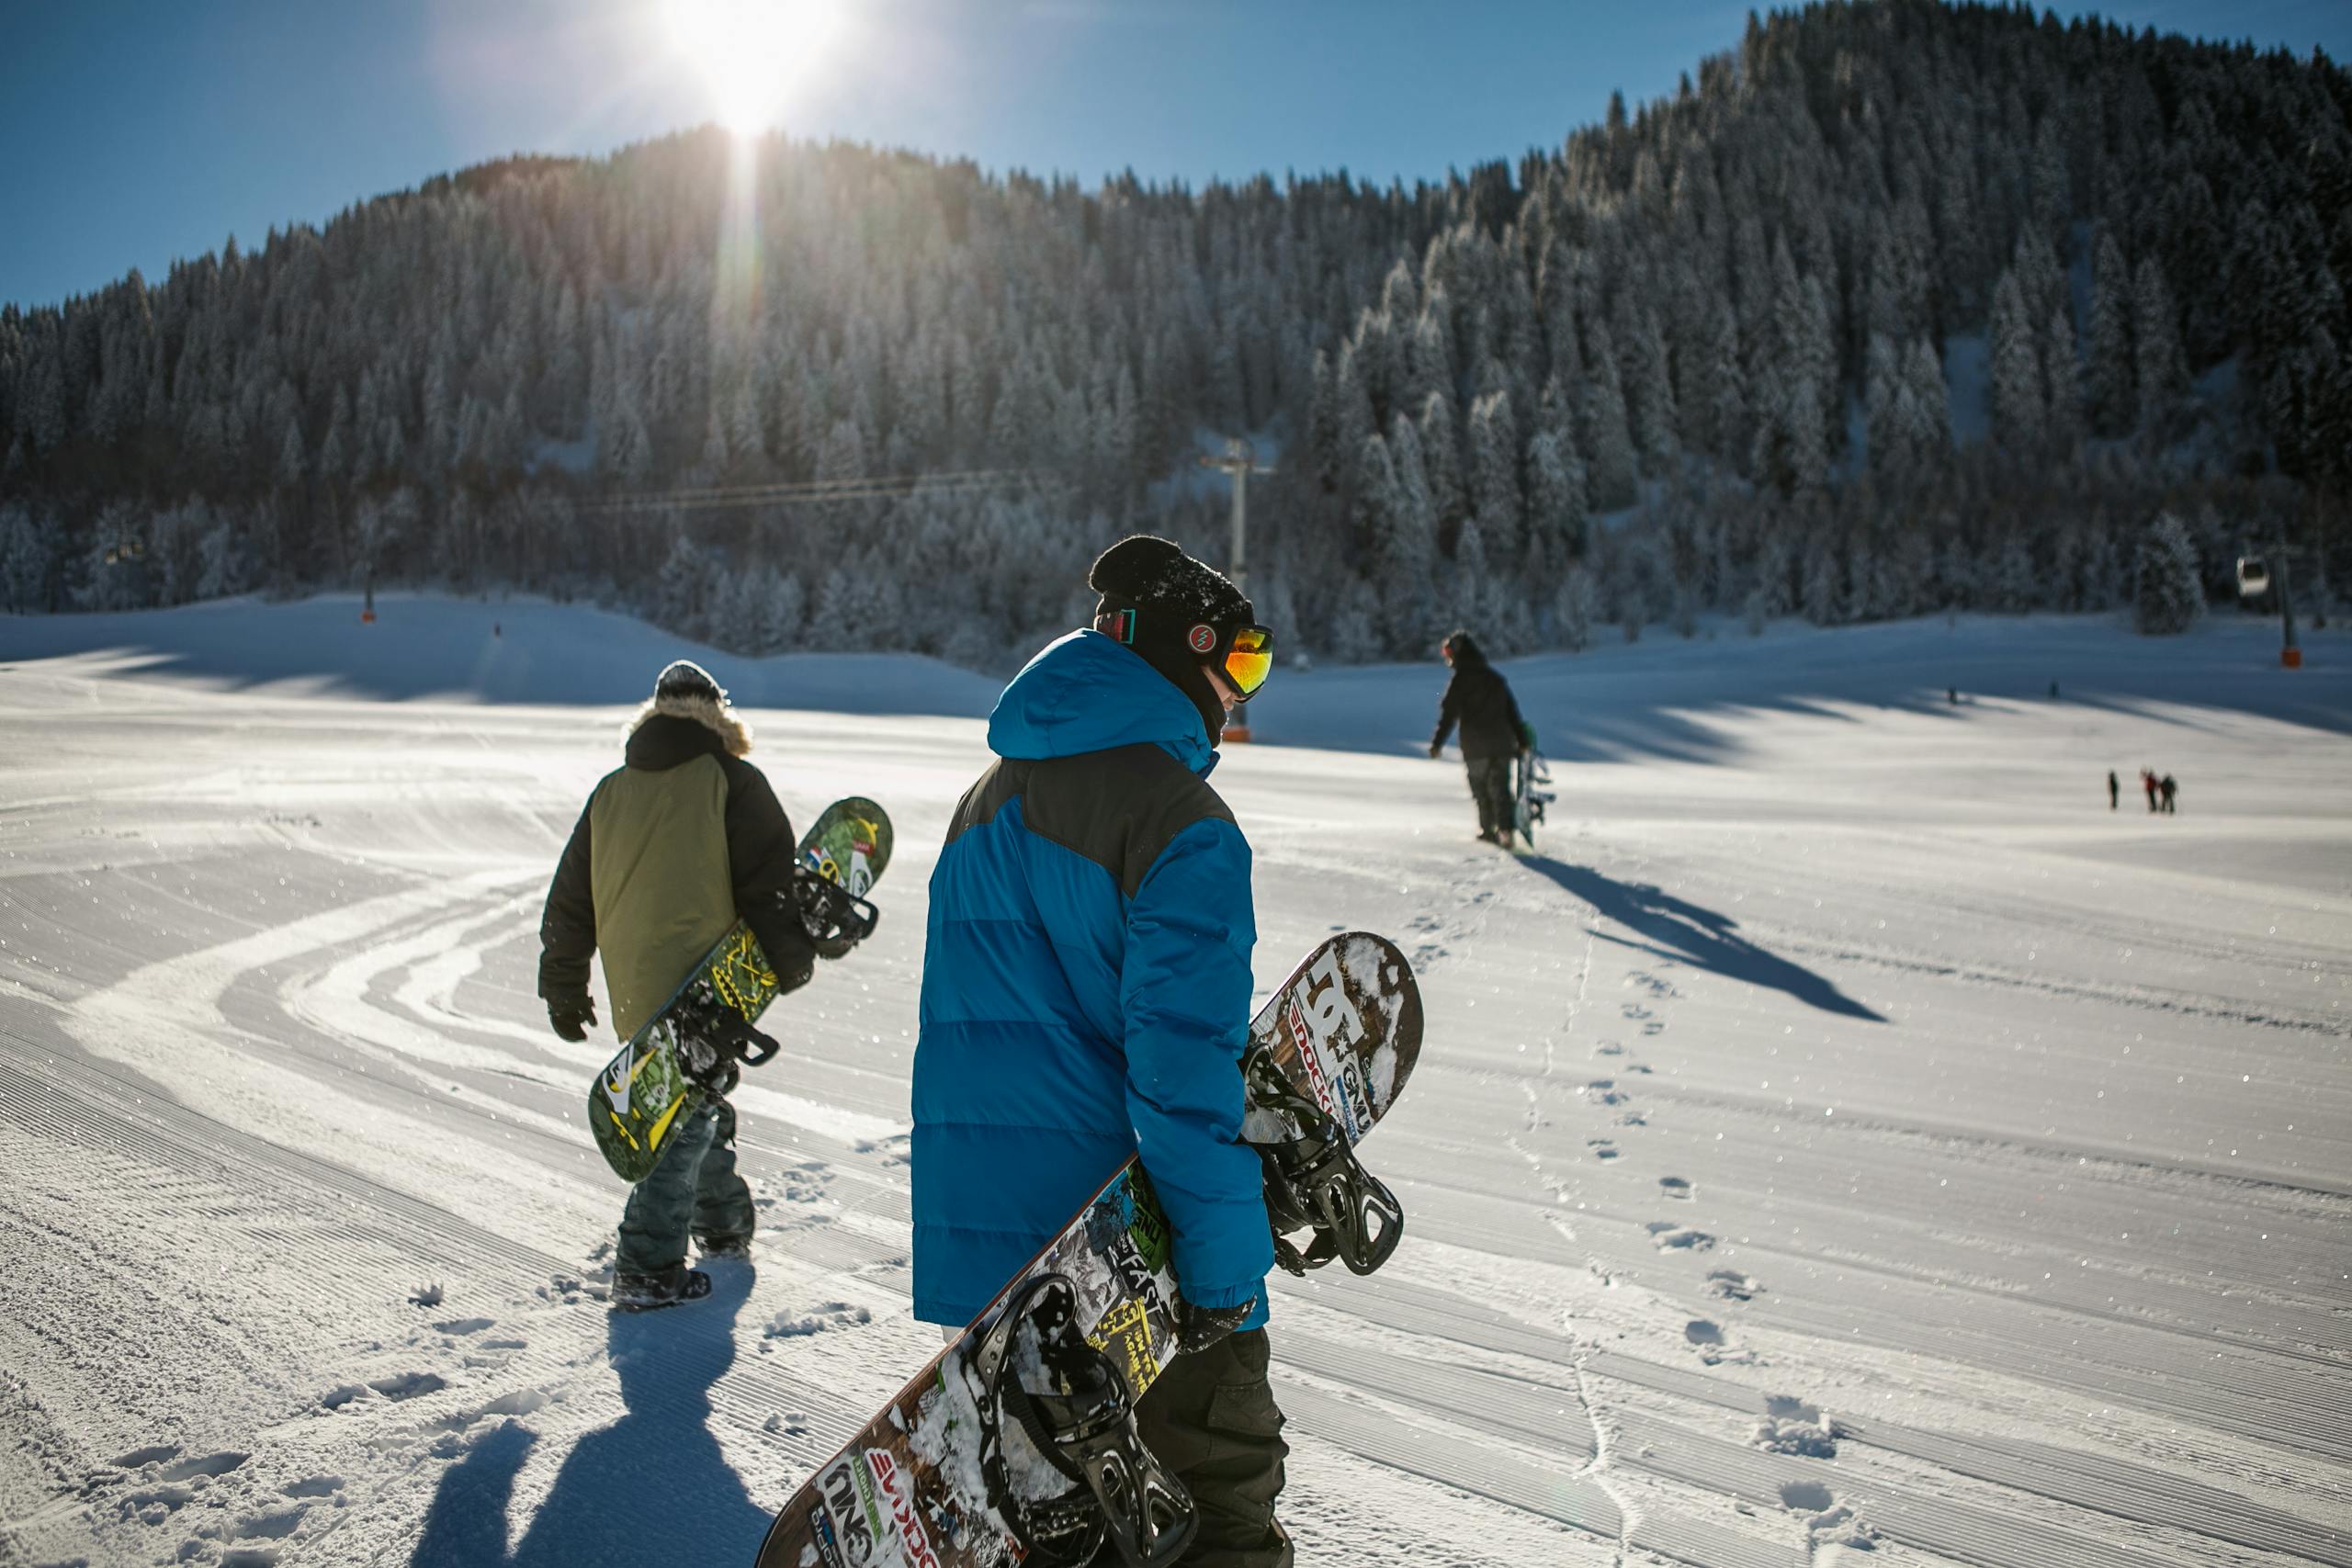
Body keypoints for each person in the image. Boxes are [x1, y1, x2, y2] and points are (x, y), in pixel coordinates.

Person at [915, 535, 1288, 1567]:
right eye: (1242, 663)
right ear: (1186, 652)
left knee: (1060, 1537)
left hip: (992, 1261)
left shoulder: (984, 798)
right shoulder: (1182, 821)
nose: (1241, 693)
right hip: (1127, 1262)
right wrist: (1222, 1273)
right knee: (1217, 1517)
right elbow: (1180, 1073)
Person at [537, 660, 827, 1312]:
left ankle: (723, 1226)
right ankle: (645, 1264)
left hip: (634, 985)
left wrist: (563, 983)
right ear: (718, 716)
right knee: (680, 1121)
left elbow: (570, 900)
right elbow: (769, 887)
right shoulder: (732, 779)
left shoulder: (610, 791)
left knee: (694, 1100)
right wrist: (792, 959)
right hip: (707, 982)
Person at [1428, 629, 1532, 846]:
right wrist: (1522, 741)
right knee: (1501, 788)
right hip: (1503, 744)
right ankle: (1505, 831)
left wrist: (1437, 744)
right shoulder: (1495, 679)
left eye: (1448, 653)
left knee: (1482, 790)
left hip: (1475, 747)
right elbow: (1512, 713)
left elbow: (1448, 716)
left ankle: (1488, 830)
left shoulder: (1459, 682)